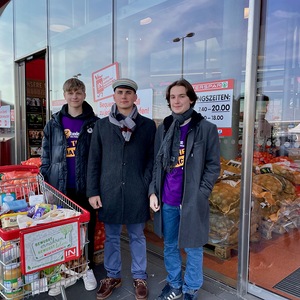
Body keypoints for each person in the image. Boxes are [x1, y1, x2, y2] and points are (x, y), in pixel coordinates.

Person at [149, 79, 220, 300]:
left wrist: (201, 193)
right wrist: (153, 191)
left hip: (191, 201)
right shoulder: (165, 128)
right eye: (172, 97)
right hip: (167, 199)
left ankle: (191, 288)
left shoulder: (205, 128)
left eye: (181, 96)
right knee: (170, 245)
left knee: (193, 247)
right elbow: (156, 163)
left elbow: (213, 165)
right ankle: (174, 285)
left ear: (191, 98)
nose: (177, 100)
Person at [87, 78, 156, 300]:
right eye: (120, 92)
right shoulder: (102, 126)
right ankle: (113, 276)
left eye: (128, 92)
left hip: (137, 189)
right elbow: (94, 160)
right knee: (112, 236)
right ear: (114, 97)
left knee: (137, 235)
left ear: (135, 97)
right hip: (110, 190)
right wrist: (93, 191)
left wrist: (145, 184)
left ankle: (139, 276)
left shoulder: (147, 126)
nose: (124, 96)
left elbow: (151, 160)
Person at [40, 77, 99, 296]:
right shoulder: (54, 123)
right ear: (64, 95)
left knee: (86, 232)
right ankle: (63, 272)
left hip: (85, 189)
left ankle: (86, 269)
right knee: (61, 233)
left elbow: (99, 157)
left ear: (84, 95)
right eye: (70, 93)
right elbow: (45, 155)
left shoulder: (94, 122)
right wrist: (47, 182)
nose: (74, 96)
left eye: (78, 92)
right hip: (60, 189)